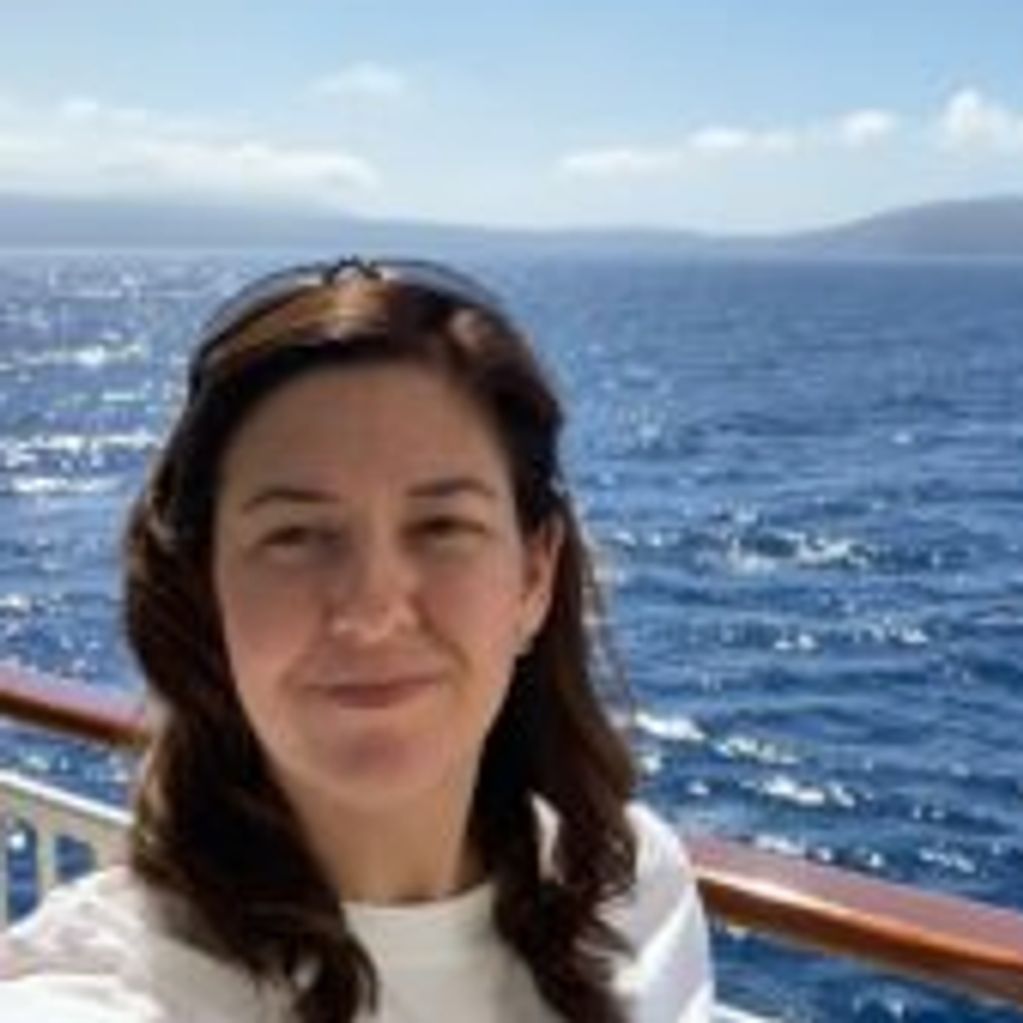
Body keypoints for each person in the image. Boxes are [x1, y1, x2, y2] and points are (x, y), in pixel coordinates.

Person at [0, 258, 713, 1021]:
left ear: (533, 577)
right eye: (296, 535)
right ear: (205, 588)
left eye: (442, 526)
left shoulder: (634, 890)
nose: (372, 611)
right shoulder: (98, 988)